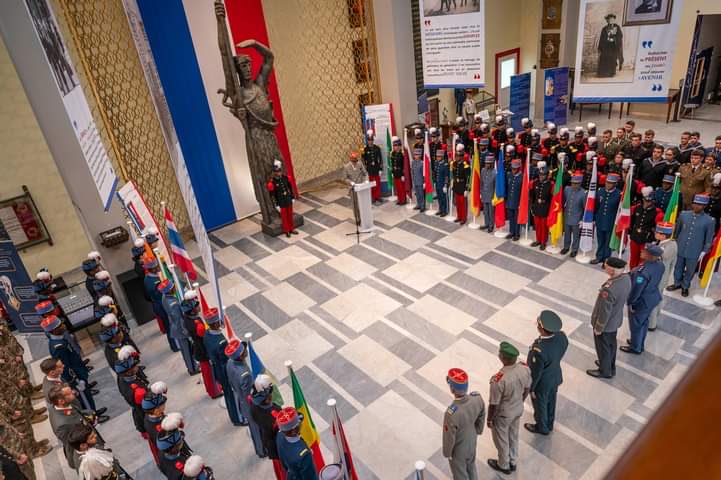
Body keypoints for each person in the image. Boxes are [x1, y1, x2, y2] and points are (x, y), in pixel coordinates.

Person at [486, 342, 531, 475]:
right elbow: (527, 388)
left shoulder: (498, 379)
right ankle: (513, 461)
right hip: (518, 409)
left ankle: (503, 465)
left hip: (504, 414)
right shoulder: (524, 368)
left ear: (503, 358)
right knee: (513, 435)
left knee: (501, 439)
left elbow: (494, 403)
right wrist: (520, 401)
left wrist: (489, 420)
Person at [525, 310, 568, 436]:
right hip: (555, 376)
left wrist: (531, 389)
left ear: (541, 329)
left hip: (542, 383)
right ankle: (550, 422)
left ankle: (542, 427)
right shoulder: (561, 336)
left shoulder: (538, 350)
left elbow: (535, 373)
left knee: (540, 405)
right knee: (552, 400)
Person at [587, 257, 631, 378]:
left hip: (606, 325)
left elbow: (604, 311)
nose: (604, 267)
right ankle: (610, 366)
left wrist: (599, 327)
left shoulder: (609, 289)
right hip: (615, 321)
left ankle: (605, 371)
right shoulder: (625, 278)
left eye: (606, 265)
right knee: (611, 345)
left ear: (611, 270)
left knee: (603, 348)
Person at [667, 194, 715, 297]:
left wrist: (704, 251)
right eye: (695, 203)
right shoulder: (684, 215)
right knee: (678, 267)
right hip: (681, 246)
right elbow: (677, 230)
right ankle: (677, 283)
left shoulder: (709, 220)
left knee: (690, 270)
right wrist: (674, 241)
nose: (696, 206)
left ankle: (685, 286)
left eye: (700, 205)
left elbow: (709, 238)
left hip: (695, 249)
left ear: (705, 206)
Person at [442, 368, 485, 480]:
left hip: (459, 449)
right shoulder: (477, 398)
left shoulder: (451, 413)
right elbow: (482, 413)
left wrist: (447, 453)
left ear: (452, 389)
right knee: (471, 467)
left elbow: (449, 437)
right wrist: (478, 430)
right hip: (472, 441)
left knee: (460, 474)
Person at [202, 308, 243, 426]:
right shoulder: (220, 342)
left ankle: (235, 416)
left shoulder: (207, 334)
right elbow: (226, 360)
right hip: (224, 372)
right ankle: (238, 418)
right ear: (215, 323)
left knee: (228, 394)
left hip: (217, 369)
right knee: (232, 395)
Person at [622, 245, 665, 355]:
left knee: (636, 325)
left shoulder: (643, 272)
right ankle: (639, 341)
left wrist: (631, 302)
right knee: (644, 322)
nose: (642, 251)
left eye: (645, 251)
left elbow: (637, 290)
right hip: (652, 298)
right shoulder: (660, 265)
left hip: (642, 301)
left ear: (650, 256)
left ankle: (636, 347)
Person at [225, 339, 264, 457]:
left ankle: (259, 448)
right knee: (256, 428)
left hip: (240, 399)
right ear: (241, 355)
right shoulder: (245, 374)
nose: (246, 350)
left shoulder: (230, 363)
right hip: (249, 405)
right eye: (244, 350)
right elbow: (249, 395)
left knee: (253, 427)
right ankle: (261, 450)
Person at [181, 290, 222, 399]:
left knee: (207, 371)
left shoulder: (188, 318)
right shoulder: (197, 324)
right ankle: (214, 392)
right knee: (208, 372)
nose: (199, 307)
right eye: (196, 306)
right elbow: (204, 336)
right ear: (192, 311)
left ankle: (213, 389)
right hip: (203, 350)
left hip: (199, 348)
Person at [159, 279, 199, 376]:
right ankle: (192, 369)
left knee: (186, 350)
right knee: (187, 350)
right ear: (170, 290)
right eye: (173, 287)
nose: (175, 287)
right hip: (180, 330)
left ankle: (192, 366)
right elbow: (179, 319)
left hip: (175, 327)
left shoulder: (165, 298)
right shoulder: (174, 304)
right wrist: (186, 332)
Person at [250, 375, 285, 480]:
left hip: (270, 444)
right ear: (266, 398)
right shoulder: (273, 415)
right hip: (278, 448)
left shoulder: (254, 407)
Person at [275, 407, 318, 480]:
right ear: (294, 431)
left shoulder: (279, 435)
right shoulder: (304, 455)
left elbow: (283, 463)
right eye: (299, 423)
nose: (301, 423)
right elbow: (310, 477)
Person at [113, 345, 148, 436]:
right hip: (144, 417)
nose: (137, 366)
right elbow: (143, 408)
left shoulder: (124, 376)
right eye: (135, 365)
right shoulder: (134, 390)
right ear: (129, 371)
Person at [143, 257, 176, 350]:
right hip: (160, 305)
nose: (158, 267)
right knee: (169, 326)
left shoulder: (148, 277)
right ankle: (174, 345)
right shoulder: (152, 281)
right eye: (156, 265)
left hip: (158, 303)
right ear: (152, 268)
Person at [648, 222, 677, 331]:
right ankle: (655, 317)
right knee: (658, 298)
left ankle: (651, 324)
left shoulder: (669, 246)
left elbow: (662, 257)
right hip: (659, 276)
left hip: (659, 278)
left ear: (663, 235)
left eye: (657, 232)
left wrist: (651, 248)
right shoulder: (663, 243)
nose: (655, 233)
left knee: (653, 300)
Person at [627, 187, 663, 269]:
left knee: (642, 259)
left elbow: (656, 227)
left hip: (646, 240)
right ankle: (631, 271)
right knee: (633, 257)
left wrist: (653, 238)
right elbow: (632, 221)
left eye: (650, 201)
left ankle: (639, 273)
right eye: (646, 200)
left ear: (653, 201)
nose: (647, 203)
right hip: (635, 237)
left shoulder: (657, 212)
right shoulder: (637, 208)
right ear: (643, 199)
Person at [592, 173, 622, 265]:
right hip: (600, 220)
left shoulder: (618, 194)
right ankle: (599, 256)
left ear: (615, 184)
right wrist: (594, 218)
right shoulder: (600, 191)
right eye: (607, 182)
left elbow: (619, 210)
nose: (608, 184)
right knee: (600, 240)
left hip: (610, 222)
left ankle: (606, 260)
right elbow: (596, 206)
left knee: (608, 242)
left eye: (611, 183)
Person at [157, 412, 194, 480]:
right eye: (180, 441)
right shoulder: (182, 468)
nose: (182, 441)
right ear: (174, 448)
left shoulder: (161, 453)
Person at [267, 160, 298, 237]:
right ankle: (286, 230)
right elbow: (272, 195)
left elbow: (290, 188)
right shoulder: (272, 182)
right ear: (274, 172)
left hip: (288, 199)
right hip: (280, 202)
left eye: (279, 171)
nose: (278, 173)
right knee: (284, 217)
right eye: (276, 172)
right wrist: (276, 204)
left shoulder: (286, 178)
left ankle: (291, 228)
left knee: (290, 215)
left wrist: (292, 197)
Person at [141, 381, 168, 465]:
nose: (164, 405)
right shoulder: (160, 428)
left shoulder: (148, 416)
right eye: (162, 404)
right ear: (156, 411)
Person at [560, 172, 586, 257]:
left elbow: (584, 208)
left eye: (576, 184)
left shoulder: (583, 193)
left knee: (576, 235)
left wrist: (582, 219)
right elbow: (563, 201)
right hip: (567, 216)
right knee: (567, 233)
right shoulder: (567, 189)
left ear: (580, 184)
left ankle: (574, 249)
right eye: (573, 183)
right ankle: (566, 247)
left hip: (577, 218)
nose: (574, 185)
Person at [530, 162, 553, 249]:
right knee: (537, 226)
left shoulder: (550, 184)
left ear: (547, 175)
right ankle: (538, 240)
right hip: (536, 207)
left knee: (544, 227)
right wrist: (532, 206)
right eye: (540, 175)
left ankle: (543, 242)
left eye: (543, 175)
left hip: (545, 208)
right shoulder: (535, 183)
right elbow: (532, 195)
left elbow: (551, 198)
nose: (541, 176)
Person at [597, 13, 623, 77]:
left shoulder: (617, 27)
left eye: (612, 19)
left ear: (614, 20)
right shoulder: (604, 28)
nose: (610, 20)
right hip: (606, 46)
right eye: (609, 19)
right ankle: (603, 73)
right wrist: (601, 46)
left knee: (612, 58)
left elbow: (620, 36)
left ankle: (611, 73)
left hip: (614, 46)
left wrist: (614, 39)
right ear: (607, 20)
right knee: (604, 57)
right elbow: (602, 38)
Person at [363, 129, 383, 204]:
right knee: (371, 184)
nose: (370, 141)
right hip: (370, 169)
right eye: (369, 140)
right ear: (367, 141)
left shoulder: (377, 148)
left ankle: (378, 197)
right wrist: (366, 170)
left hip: (376, 168)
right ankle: (373, 197)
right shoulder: (365, 149)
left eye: (371, 140)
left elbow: (380, 159)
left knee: (377, 183)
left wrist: (380, 169)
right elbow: (364, 160)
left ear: (373, 140)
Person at [452, 144, 470, 224]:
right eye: (456, 156)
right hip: (457, 185)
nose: (457, 157)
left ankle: (464, 218)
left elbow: (468, 178)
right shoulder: (455, 164)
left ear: (462, 157)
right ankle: (459, 216)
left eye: (459, 156)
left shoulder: (466, 165)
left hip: (463, 186)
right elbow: (453, 175)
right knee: (458, 203)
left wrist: (467, 188)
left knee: (463, 204)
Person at [506, 158, 523, 240]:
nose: (513, 170)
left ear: (518, 168)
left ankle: (517, 233)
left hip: (517, 202)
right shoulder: (509, 175)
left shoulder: (522, 177)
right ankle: (511, 232)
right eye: (512, 168)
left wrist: (521, 203)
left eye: (515, 169)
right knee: (511, 217)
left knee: (516, 218)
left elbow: (523, 192)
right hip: (509, 200)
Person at [411, 129, 426, 212]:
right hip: (417, 166)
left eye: (419, 138)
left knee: (421, 191)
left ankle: (422, 205)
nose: (418, 140)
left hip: (422, 166)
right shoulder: (415, 145)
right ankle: (418, 204)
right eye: (417, 138)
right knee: (417, 192)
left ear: (422, 139)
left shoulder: (424, 146)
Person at [480, 154, 496, 233]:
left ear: (492, 163)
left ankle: (491, 225)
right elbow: (481, 183)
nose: (486, 164)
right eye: (486, 163)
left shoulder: (495, 173)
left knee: (491, 212)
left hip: (491, 196)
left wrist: (494, 197)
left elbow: (496, 186)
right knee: (485, 211)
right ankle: (486, 224)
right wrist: (481, 193)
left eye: (488, 163)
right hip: (484, 194)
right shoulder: (483, 170)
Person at [434, 143, 450, 217]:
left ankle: (445, 210)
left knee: (444, 197)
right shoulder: (436, 163)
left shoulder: (445, 164)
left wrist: (446, 185)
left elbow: (446, 176)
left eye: (439, 156)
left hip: (443, 184)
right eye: (437, 156)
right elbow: (435, 173)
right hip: (438, 183)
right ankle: (440, 209)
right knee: (439, 197)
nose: (438, 158)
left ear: (442, 157)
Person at [390, 136, 407, 205]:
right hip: (395, 173)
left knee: (402, 187)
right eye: (395, 146)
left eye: (397, 146)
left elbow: (404, 165)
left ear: (400, 146)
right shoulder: (393, 153)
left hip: (400, 173)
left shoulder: (402, 154)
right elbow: (392, 163)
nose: (396, 147)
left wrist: (403, 174)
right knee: (397, 188)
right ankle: (399, 199)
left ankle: (403, 200)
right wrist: (392, 172)